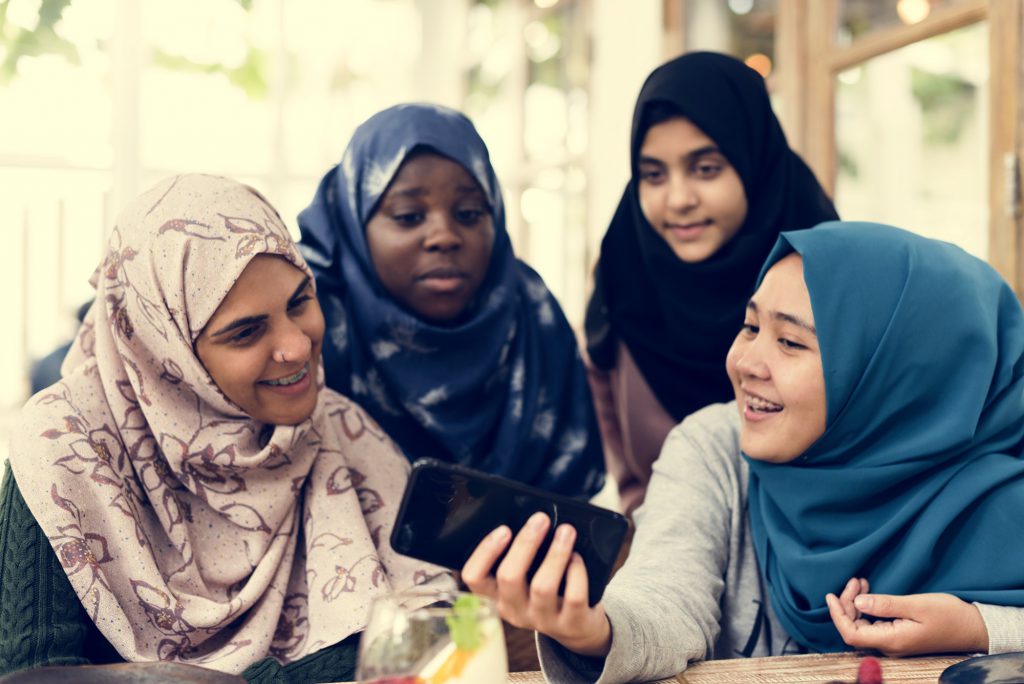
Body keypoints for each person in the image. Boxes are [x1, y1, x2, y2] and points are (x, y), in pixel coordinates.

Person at [464, 221, 1024, 683]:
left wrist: (977, 628)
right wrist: (594, 629)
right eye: (750, 326)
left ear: (899, 376)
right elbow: (668, 593)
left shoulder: (1001, 491)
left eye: (790, 341)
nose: (745, 362)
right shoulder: (714, 446)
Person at [0, 174, 450, 681]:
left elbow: (437, 625)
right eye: (246, 332)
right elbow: (32, 674)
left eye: (300, 301)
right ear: (163, 353)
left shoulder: (337, 428)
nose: (297, 346)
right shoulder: (63, 447)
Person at [298, 103, 604, 500]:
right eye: (409, 216)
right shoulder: (312, 321)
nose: (444, 235)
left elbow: (575, 501)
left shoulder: (532, 310)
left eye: (470, 213)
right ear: (353, 223)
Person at [584, 51, 838, 514]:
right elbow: (631, 484)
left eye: (706, 169)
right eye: (653, 175)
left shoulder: (828, 277)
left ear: (753, 162)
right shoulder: (625, 276)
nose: (678, 199)